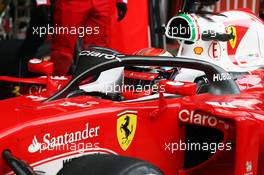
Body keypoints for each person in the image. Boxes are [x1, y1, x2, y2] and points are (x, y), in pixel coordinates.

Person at [51, 0, 128, 75]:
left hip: (102, 3)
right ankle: (54, 81)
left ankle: (94, 82)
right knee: (63, 49)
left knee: (98, 51)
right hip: (72, 2)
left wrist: (122, 1)